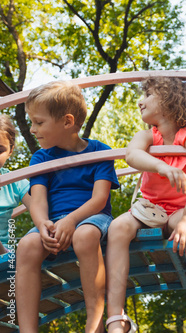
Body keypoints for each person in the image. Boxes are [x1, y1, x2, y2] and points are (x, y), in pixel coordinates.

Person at [105, 77, 186, 333]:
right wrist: (162, 166)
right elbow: (131, 154)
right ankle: (115, 316)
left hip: (180, 209)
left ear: (168, 99)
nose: (140, 101)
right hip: (149, 208)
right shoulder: (147, 136)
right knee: (118, 227)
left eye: (148, 95)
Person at [15, 80, 120, 333]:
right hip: (53, 220)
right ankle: (28, 329)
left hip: (91, 218)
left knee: (84, 236)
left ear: (67, 121)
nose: (32, 129)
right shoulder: (41, 157)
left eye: (39, 122)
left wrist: (71, 220)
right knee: (26, 245)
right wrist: (42, 224)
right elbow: (37, 199)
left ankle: (94, 323)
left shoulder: (99, 152)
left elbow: (99, 200)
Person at [0, 115, 31, 254]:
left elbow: (40, 207)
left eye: (0, 150)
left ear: (10, 150)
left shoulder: (15, 182)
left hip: (4, 253)